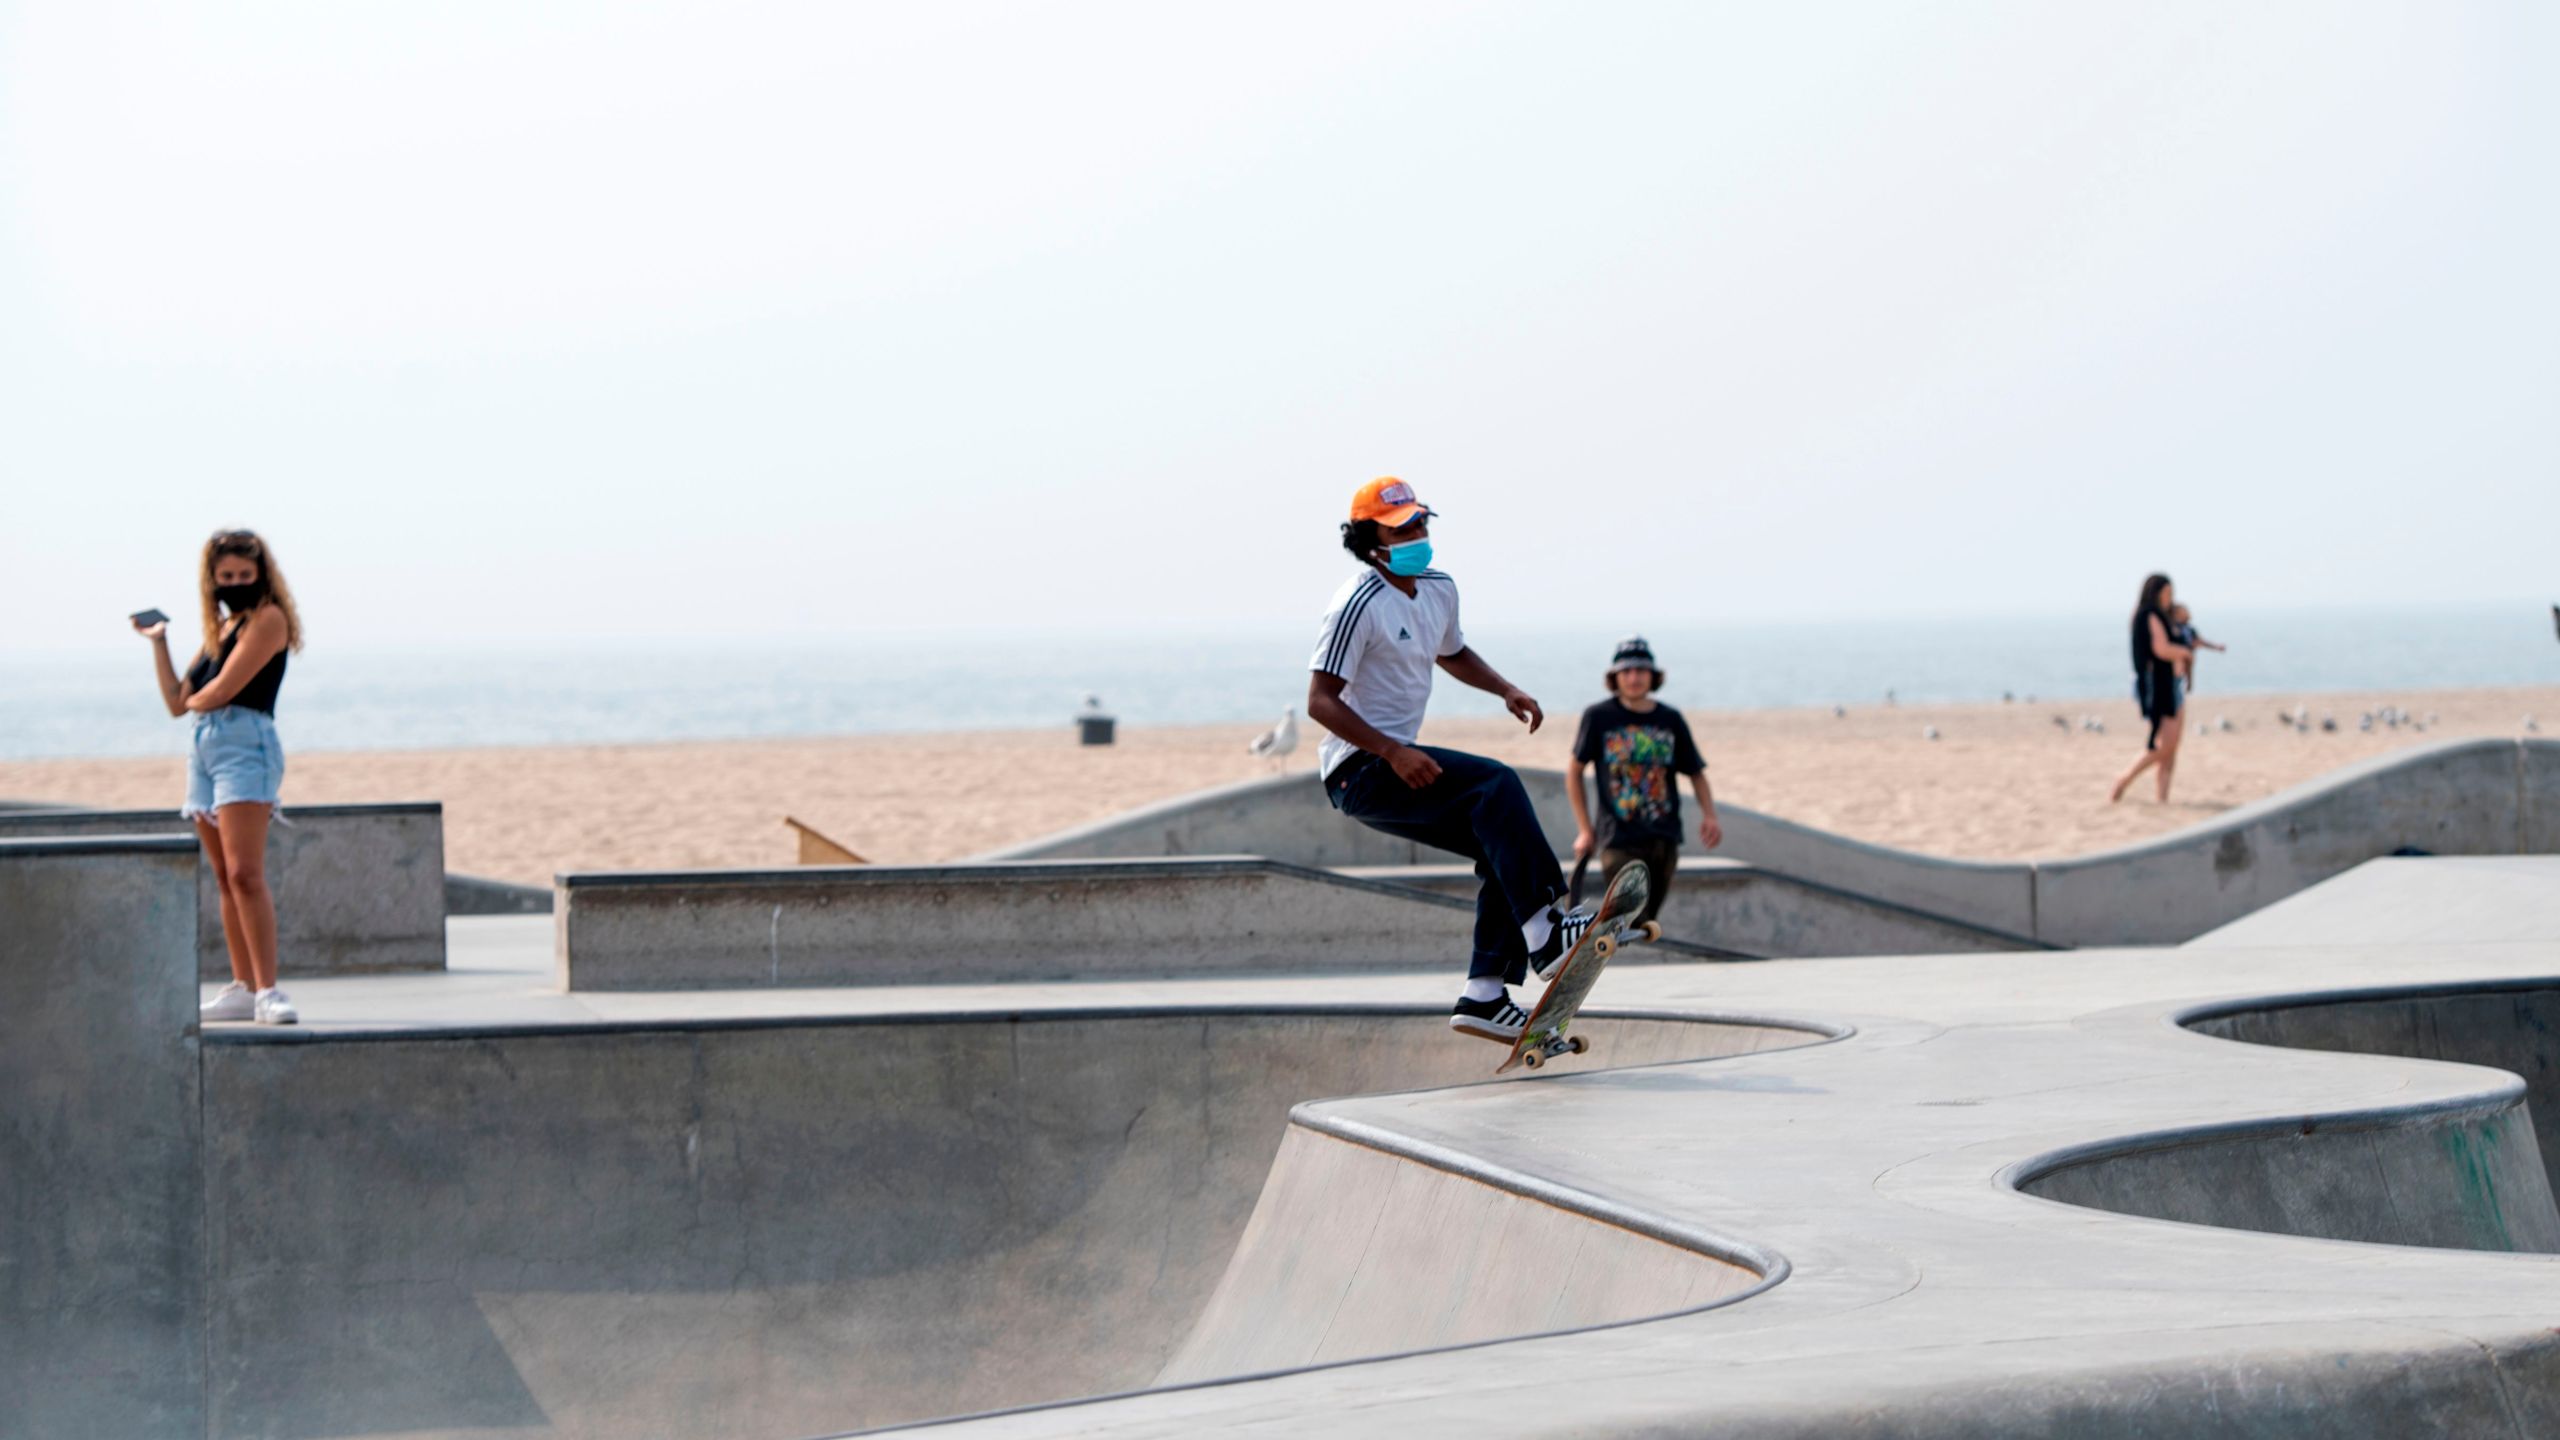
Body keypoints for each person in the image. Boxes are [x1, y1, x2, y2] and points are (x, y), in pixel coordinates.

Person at [1306, 478, 1591, 1044]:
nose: (1418, 535)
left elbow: (1452, 652)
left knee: (1498, 842)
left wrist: (1505, 689)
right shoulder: (1356, 605)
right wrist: (1390, 750)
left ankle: (1484, 994)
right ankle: (1545, 933)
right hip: (1359, 770)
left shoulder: (1439, 588)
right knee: (1496, 785)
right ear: (1371, 542)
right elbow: (1319, 701)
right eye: (1403, 529)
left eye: (1421, 524)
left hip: (1395, 760)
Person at [135, 529, 304, 1024]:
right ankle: (242, 986)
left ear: (262, 575)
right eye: (225, 576)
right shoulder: (223, 630)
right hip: (204, 748)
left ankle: (270, 991)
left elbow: (222, 691)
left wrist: (196, 699)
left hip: (245, 745)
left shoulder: (270, 620)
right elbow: (177, 702)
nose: (235, 583)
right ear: (212, 581)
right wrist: (159, 641)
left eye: (244, 576)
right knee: (224, 878)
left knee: (245, 873)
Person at [1567, 637, 1721, 926]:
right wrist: (1585, 830)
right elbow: (1574, 772)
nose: (1634, 677)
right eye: (1626, 671)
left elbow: (1696, 773)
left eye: (1640, 670)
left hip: (1664, 837)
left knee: (1649, 919)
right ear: (1615, 677)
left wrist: (1710, 816)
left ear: (1653, 676)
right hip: (1618, 838)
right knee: (1632, 917)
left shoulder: (1670, 719)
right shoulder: (1599, 717)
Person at [2110, 573, 2192, 805]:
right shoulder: (2149, 614)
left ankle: (2162, 798)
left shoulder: (2164, 616)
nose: (2169, 599)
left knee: (2172, 747)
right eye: (2166, 594)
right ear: (2154, 593)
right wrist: (2184, 653)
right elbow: (2160, 649)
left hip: (2174, 685)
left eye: (2171, 594)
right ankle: (2124, 779)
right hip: (2161, 687)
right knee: (2164, 746)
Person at [2166, 603, 2226, 691]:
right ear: (2176, 614)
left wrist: (2216, 647)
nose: (2188, 613)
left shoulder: (2190, 629)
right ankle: (2187, 684)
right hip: (2175, 663)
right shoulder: (2173, 627)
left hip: (2185, 662)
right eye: (2184, 611)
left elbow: (2201, 641)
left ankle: (2189, 684)